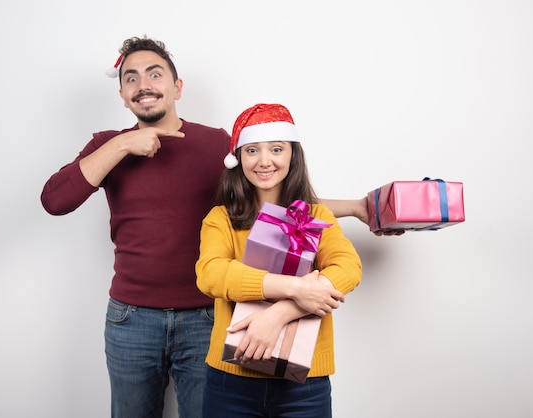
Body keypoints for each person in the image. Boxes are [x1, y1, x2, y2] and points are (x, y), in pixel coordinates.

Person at [40, 36, 372, 418]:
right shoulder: (107, 146)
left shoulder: (216, 144)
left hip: (207, 317)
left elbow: (275, 202)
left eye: (155, 73)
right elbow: (55, 201)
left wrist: (358, 208)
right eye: (131, 78)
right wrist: (122, 146)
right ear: (121, 94)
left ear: (177, 87)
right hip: (131, 319)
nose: (144, 84)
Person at [195, 103, 363, 417]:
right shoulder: (221, 219)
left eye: (276, 149)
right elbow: (211, 274)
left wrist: (279, 314)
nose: (264, 161)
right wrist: (297, 288)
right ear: (238, 159)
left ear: (292, 155)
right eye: (252, 151)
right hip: (230, 382)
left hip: (304, 386)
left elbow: (348, 267)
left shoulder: (315, 215)